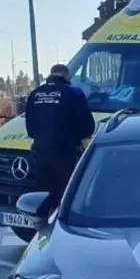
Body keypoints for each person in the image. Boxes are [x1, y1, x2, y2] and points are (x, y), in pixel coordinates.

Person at [24, 63, 96, 215]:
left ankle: (42, 230)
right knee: (65, 198)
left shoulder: (35, 94)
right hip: (65, 155)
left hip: (40, 155)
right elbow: (87, 128)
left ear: (51, 74)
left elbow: (30, 129)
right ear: (66, 76)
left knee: (43, 198)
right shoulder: (74, 93)